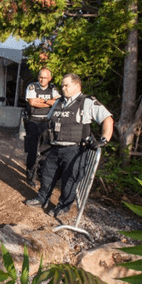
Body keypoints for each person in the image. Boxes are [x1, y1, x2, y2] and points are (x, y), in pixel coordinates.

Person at [25, 73, 113, 218]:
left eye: (66, 85)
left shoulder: (87, 102)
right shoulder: (59, 102)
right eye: (62, 85)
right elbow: (49, 119)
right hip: (55, 147)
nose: (63, 88)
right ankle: (42, 199)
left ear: (77, 86)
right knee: (47, 174)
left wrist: (103, 140)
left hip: (75, 149)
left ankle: (63, 206)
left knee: (70, 179)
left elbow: (107, 119)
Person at [24, 68, 60, 187]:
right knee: (33, 149)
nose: (42, 79)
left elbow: (57, 103)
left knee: (46, 150)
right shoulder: (32, 87)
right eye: (40, 77)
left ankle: (40, 173)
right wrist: (49, 102)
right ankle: (30, 173)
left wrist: (42, 100)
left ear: (50, 78)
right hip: (33, 121)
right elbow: (32, 103)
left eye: (45, 77)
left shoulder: (53, 88)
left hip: (47, 123)